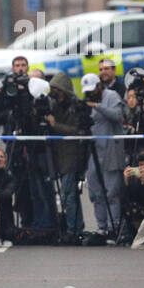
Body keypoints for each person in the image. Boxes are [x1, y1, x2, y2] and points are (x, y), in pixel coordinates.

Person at [81, 73, 126, 239]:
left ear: (99, 85)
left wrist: (96, 105)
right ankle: (102, 228)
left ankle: (113, 227)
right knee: (95, 192)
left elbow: (117, 115)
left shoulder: (111, 95)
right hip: (94, 152)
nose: (91, 93)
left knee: (112, 192)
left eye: (93, 90)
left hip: (111, 152)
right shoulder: (86, 100)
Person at [44, 73, 85, 240]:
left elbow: (76, 130)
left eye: (57, 89)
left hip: (72, 156)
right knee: (70, 194)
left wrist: (55, 125)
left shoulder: (75, 106)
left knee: (68, 194)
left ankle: (73, 229)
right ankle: (75, 227)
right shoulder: (53, 105)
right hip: (58, 155)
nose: (54, 93)